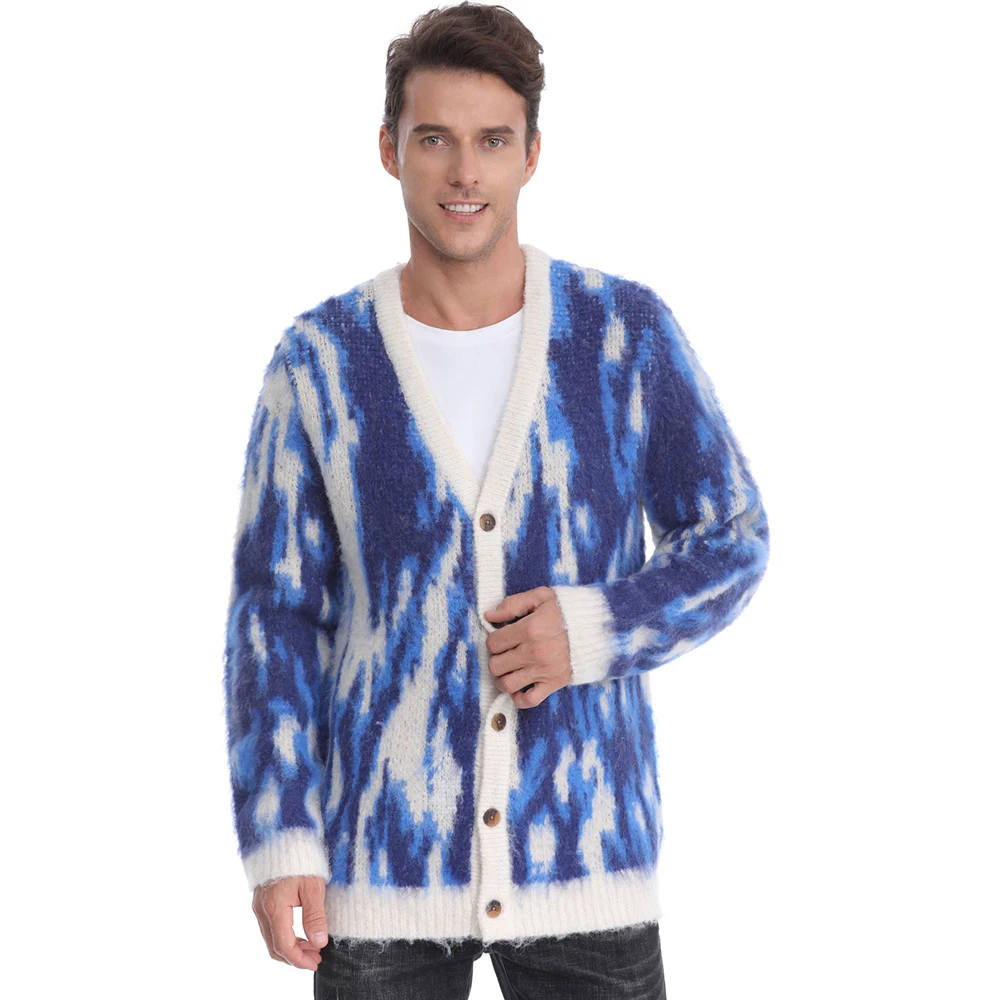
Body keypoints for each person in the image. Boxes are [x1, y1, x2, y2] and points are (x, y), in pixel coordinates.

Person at [222, 4, 770, 998]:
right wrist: (280, 832)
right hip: (378, 871)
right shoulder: (320, 362)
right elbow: (277, 614)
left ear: (531, 155)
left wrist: (595, 629)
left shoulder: (621, 334)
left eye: (492, 141)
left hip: (586, 856)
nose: (464, 173)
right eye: (435, 139)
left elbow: (731, 535)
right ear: (389, 150)